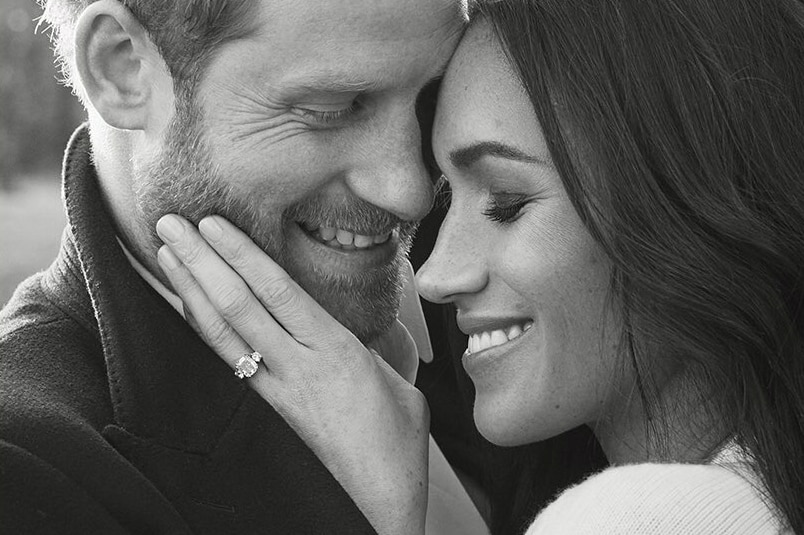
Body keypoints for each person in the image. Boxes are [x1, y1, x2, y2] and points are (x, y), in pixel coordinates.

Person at [158, 0, 804, 533]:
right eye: (446, 198)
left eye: (507, 202)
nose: (436, 277)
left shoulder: (640, 517)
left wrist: (382, 512)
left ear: (692, 204)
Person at [0, 0, 495, 533]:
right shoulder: (26, 471)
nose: (412, 194)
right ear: (121, 69)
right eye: (332, 107)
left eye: (432, 99)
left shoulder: (502, 266)